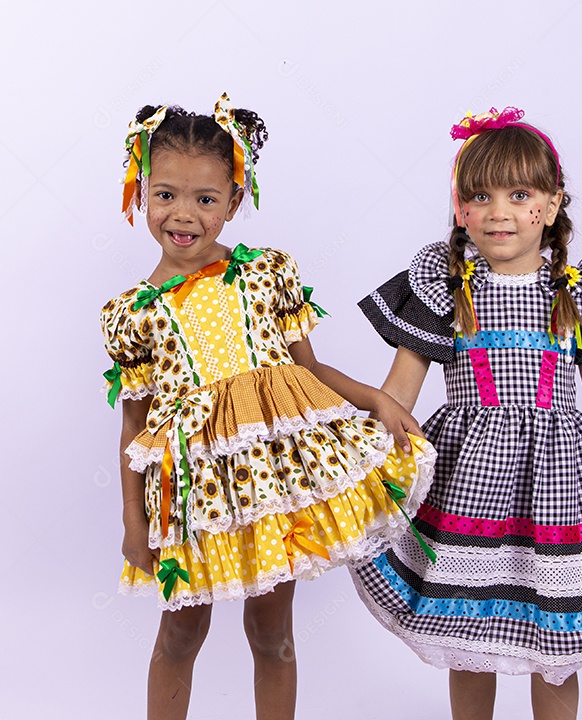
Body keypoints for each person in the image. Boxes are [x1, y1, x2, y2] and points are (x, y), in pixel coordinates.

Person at [100, 93, 435, 720]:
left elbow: (309, 370)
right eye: (165, 193)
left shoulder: (267, 273)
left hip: (272, 481)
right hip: (195, 493)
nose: (184, 214)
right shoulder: (134, 314)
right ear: (141, 190)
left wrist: (379, 401)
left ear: (234, 199)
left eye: (205, 199)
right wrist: (133, 522)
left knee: (273, 636)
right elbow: (135, 426)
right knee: (179, 633)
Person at [350, 107, 582, 720]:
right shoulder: (445, 291)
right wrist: (365, 477)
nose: (498, 210)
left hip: (560, 490)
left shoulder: (576, 295)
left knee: (559, 636)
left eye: (519, 194)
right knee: (468, 641)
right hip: (465, 490)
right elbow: (395, 396)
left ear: (552, 206)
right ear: (460, 210)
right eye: (480, 195)